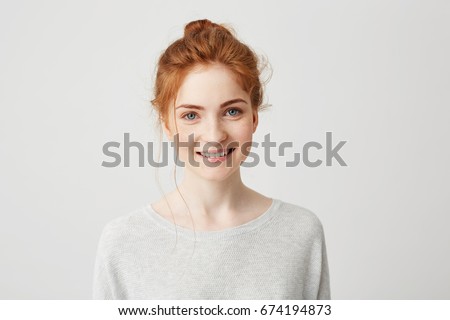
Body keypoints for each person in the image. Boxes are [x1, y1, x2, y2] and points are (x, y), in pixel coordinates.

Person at [93, 19, 330, 300]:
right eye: (191, 115)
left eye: (232, 112)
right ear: (167, 124)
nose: (214, 135)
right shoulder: (123, 242)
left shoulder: (301, 233)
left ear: (254, 117)